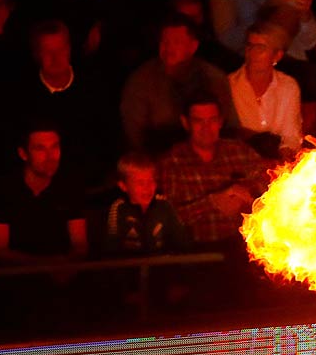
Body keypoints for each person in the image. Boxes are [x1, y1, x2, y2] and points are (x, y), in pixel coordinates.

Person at [15, 20, 118, 188]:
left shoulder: (94, 86)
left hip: (90, 183)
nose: (56, 57)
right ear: (37, 54)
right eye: (48, 51)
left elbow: (108, 138)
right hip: (43, 184)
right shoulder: (24, 96)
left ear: (69, 49)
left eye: (60, 49)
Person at [157, 94, 270, 246]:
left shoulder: (241, 152)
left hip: (243, 248)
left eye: (212, 120)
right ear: (186, 123)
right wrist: (213, 201)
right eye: (199, 121)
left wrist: (246, 196)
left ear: (220, 121)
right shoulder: (172, 161)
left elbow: (269, 190)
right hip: (193, 251)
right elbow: (166, 218)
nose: (206, 128)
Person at [120, 14, 237, 153]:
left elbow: (228, 125)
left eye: (176, 42)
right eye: (165, 42)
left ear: (193, 46)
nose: (169, 48)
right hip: (158, 157)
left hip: (209, 156)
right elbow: (134, 134)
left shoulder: (213, 78)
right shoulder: (141, 80)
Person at [0, 123, 87, 263]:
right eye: (40, 149)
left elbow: (80, 245)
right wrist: (46, 265)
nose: (50, 156)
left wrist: (66, 266)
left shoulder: (69, 187)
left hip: (62, 274)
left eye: (55, 147)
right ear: (23, 153)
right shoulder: (4, 190)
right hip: (17, 276)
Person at [228, 21, 304, 157]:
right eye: (250, 46)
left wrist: (282, 156)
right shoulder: (229, 85)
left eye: (260, 48)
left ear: (277, 55)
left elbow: (291, 136)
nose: (253, 53)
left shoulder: (288, 87)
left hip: (278, 164)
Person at [99, 150, 188, 254]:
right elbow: (112, 245)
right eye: (140, 183)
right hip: (131, 267)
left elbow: (181, 240)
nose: (147, 188)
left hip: (160, 265)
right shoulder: (119, 208)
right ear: (123, 186)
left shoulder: (164, 206)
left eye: (151, 181)